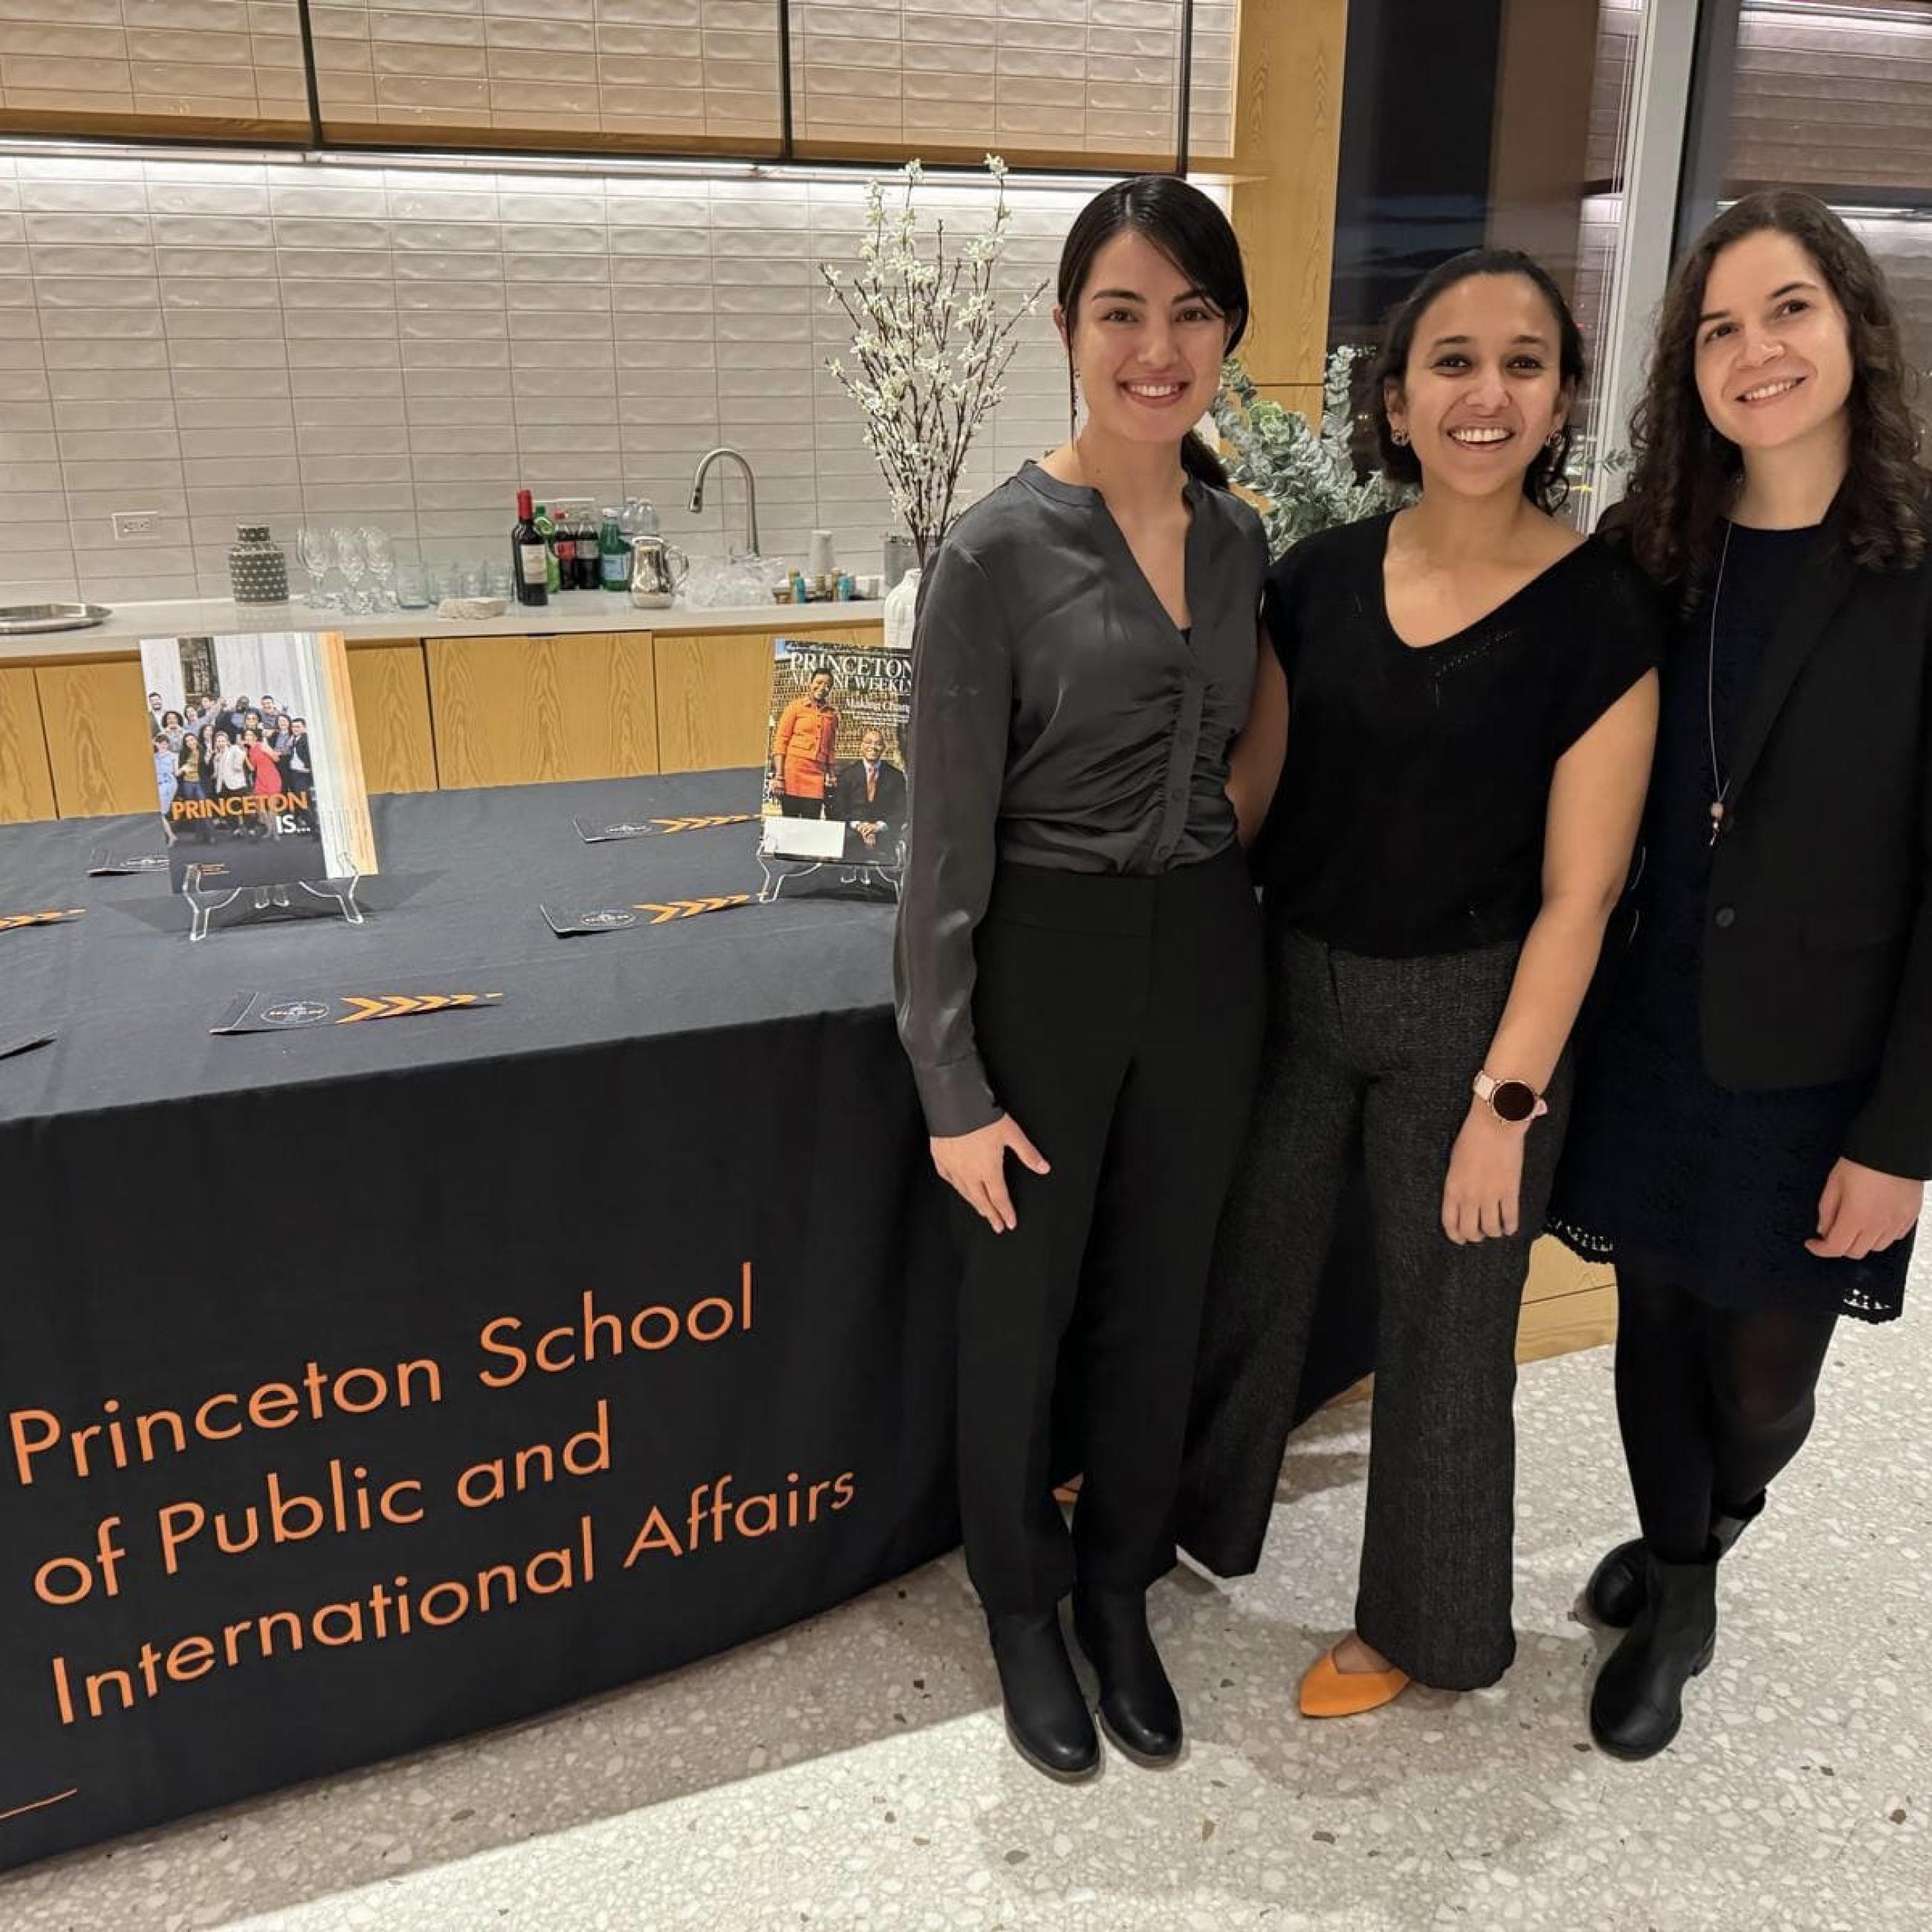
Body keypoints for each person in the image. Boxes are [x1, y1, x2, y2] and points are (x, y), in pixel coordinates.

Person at [1179, 248, 1662, 1719]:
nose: (1486, 390)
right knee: (1245, 1269)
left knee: (1447, 1339)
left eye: (1523, 361)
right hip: (1299, 989)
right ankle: (1184, 1515)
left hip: (1477, 1019)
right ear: (1393, 397)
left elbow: (1583, 893)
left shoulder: (1601, 610)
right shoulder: (1314, 583)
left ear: (1560, 397)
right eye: (1451, 359)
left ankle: (1429, 1627)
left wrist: (1503, 1103)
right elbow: (1249, 798)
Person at [895, 175, 1271, 1780]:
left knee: (1157, 1293)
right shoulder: (992, 554)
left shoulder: (1243, 534)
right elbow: (941, 850)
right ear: (1067, 329)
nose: (1157, 345)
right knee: (1022, 1304)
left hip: (1203, 951)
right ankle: (1018, 1601)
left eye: (1191, 311)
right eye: (1122, 310)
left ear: (1226, 334)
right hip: (1044, 954)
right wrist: (949, 1083)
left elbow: (1248, 752)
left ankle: (1119, 1583)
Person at [1549, 192, 1931, 1760]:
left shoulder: (1918, 568)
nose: (1754, 350)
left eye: (1787, 311)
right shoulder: (1655, 554)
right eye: (1718, 327)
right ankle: (1682, 1587)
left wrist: (1906, 1134)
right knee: (1651, 1321)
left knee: (1763, 1372)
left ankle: (1715, 1513)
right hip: (1649, 1026)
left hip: (1829, 1057)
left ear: (1852, 328)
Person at [771, 668, 839, 817]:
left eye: (828, 686)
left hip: (816, 777)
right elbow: (781, 742)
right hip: (792, 774)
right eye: (819, 683)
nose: (822, 688)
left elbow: (831, 748)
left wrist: (832, 776)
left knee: (811, 822)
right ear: (810, 683)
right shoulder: (795, 707)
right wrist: (779, 777)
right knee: (790, 822)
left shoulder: (832, 715)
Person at [832, 727, 907, 855]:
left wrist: (878, 827)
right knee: (847, 841)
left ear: (884, 748)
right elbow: (838, 809)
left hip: (884, 831)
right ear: (862, 746)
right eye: (868, 742)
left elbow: (901, 810)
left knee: (890, 843)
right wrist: (860, 826)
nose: (873, 747)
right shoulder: (847, 775)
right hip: (853, 831)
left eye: (878, 744)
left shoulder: (896, 776)